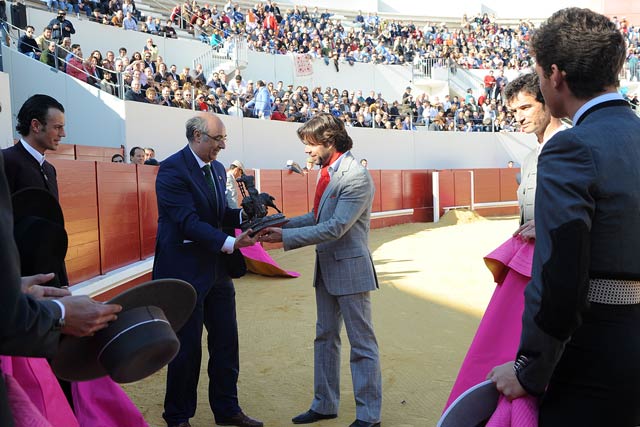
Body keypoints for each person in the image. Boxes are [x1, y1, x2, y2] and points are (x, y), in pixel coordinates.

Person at [488, 8, 640, 427]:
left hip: (594, 352)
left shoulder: (571, 147)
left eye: (538, 74)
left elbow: (560, 279)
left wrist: (528, 370)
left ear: (555, 76)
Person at [443, 72, 566, 412]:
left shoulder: (572, 144)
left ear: (548, 102)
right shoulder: (529, 160)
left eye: (527, 107)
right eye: (514, 112)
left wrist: (546, 226)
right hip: (533, 271)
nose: (520, 117)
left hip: (561, 271)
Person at [260, 114, 382, 427]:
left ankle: (369, 416)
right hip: (328, 268)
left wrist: (285, 237)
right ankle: (325, 404)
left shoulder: (355, 175)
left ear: (329, 142)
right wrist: (281, 223)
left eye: (310, 145)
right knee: (325, 337)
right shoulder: (329, 171)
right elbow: (317, 216)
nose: (306, 152)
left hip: (351, 270)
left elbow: (336, 227)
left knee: (362, 344)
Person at [153, 114, 264, 427]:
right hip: (184, 272)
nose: (223, 145)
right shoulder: (172, 169)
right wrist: (232, 241)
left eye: (223, 138)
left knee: (226, 341)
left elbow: (218, 215)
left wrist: (245, 213)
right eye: (218, 139)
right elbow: (187, 222)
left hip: (216, 269)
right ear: (198, 136)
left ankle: (227, 409)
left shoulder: (216, 169)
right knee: (186, 347)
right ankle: (177, 416)